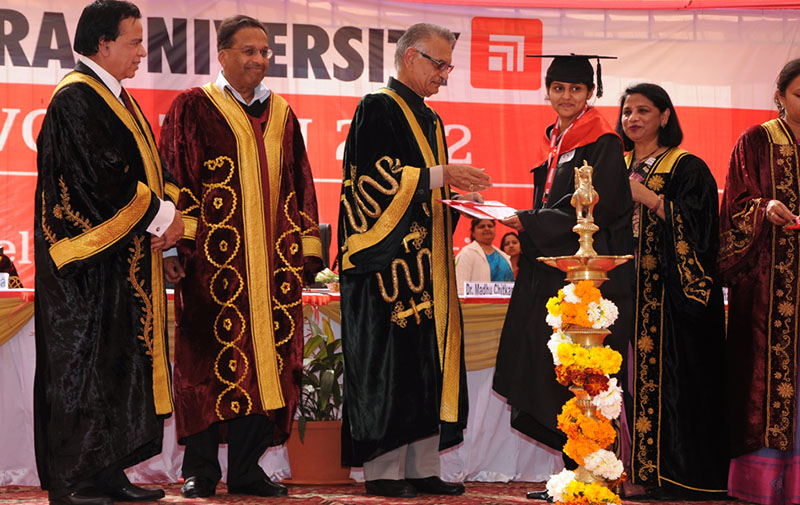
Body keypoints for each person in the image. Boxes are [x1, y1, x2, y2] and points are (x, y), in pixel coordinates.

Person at [159, 15, 323, 499]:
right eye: (247, 50)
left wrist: (307, 252)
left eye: (264, 51)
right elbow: (175, 179)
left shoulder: (284, 114)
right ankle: (202, 471)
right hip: (213, 267)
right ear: (224, 54)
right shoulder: (192, 107)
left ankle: (248, 470)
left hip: (275, 268)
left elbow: (302, 184)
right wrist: (174, 246)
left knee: (268, 365)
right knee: (206, 366)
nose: (257, 60)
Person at [33, 1, 184, 504]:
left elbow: (148, 174)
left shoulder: (113, 96)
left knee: (114, 366)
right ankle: (75, 479)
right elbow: (103, 178)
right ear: (103, 44)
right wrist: (166, 219)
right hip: (86, 270)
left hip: (121, 264)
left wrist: (168, 230)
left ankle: (108, 472)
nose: (143, 51)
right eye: (135, 41)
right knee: (83, 366)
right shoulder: (76, 98)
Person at [337, 22, 491, 499]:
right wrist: (441, 174)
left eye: (448, 66)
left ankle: (422, 467)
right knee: (392, 367)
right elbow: (372, 183)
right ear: (411, 58)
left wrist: (454, 191)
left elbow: (426, 186)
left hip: (429, 267)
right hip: (386, 269)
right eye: (439, 64)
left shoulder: (430, 118)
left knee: (427, 363)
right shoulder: (376, 108)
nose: (445, 75)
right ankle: (384, 473)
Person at [492, 54, 634, 500]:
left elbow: (602, 205)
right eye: (558, 88)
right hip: (553, 268)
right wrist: (529, 224)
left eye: (576, 89)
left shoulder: (603, 141)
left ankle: (592, 475)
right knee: (555, 367)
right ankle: (575, 475)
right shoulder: (556, 138)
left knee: (584, 372)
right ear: (547, 90)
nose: (567, 96)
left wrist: (530, 222)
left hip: (587, 275)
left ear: (590, 93)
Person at [617, 83, 728, 497]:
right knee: (621, 382)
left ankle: (666, 475)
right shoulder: (615, 164)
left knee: (674, 387)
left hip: (671, 301)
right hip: (624, 296)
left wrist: (649, 198)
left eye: (644, 111)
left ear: (665, 116)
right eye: (627, 111)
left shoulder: (687, 167)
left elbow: (702, 232)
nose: (633, 119)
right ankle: (625, 469)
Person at [719, 58, 800, 505]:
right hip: (770, 282)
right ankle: (768, 483)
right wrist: (764, 208)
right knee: (767, 380)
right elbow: (735, 203)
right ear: (780, 95)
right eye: (799, 95)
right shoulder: (757, 139)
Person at [455, 218, 513, 293]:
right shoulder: (466, 254)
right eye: (482, 227)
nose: (487, 229)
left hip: (505, 304)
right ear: (473, 233)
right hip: (478, 304)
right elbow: (460, 287)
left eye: (490, 226)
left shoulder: (504, 256)